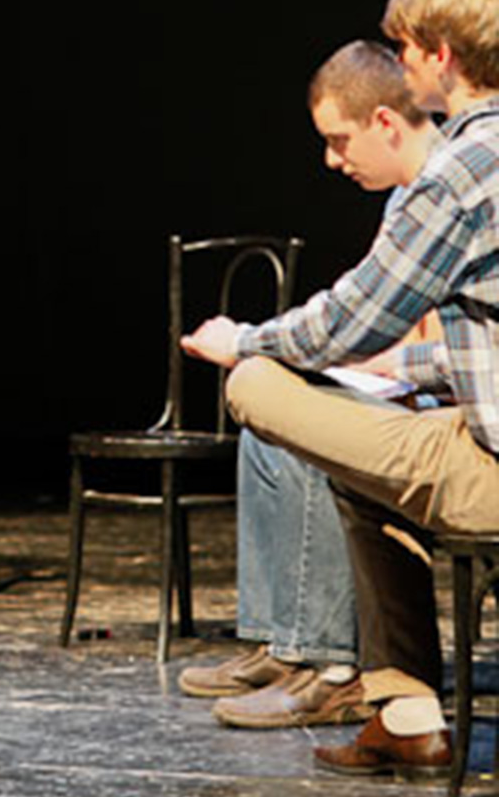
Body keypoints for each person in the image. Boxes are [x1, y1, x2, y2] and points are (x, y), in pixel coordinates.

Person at [184, 0, 499, 780]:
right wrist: (407, 373)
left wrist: (244, 342)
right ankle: (405, 715)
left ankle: (329, 663)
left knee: (262, 385)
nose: (401, 64)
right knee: (362, 456)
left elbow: (353, 320)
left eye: (405, 48)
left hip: (493, 470)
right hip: (478, 433)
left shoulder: (466, 167)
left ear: (440, 56)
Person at [180, 42, 440, 728]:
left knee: (311, 430)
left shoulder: (447, 190)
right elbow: (373, 313)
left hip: (452, 407)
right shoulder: (408, 197)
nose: (331, 159)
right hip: (420, 385)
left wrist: (250, 341)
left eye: (339, 140)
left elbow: (373, 323)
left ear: (385, 123)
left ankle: (333, 667)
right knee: (266, 433)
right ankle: (283, 641)